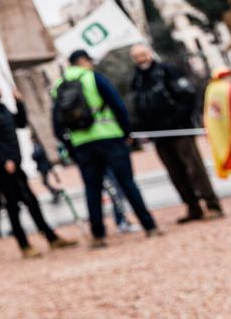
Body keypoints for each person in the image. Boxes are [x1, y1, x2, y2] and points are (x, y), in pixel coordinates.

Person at [52, 50, 160, 248]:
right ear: (83, 61)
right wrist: (127, 132)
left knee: (92, 190)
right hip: (109, 137)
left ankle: (99, 235)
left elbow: (57, 125)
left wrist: (72, 147)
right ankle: (149, 225)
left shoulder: (58, 86)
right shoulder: (92, 78)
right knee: (127, 183)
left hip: (82, 145)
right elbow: (118, 105)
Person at [0, 80, 76, 258]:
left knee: (32, 202)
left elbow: (20, 123)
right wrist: (4, 160)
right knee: (13, 206)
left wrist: (19, 103)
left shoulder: (3, 108)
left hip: (15, 164)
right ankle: (24, 245)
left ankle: (51, 238)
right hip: (2, 168)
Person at [130, 43, 223, 222]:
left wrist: (178, 119)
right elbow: (138, 106)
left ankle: (212, 203)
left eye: (142, 54)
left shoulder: (167, 71)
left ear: (149, 53)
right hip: (158, 135)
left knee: (194, 168)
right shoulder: (137, 80)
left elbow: (187, 95)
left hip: (179, 129)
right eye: (136, 56)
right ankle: (192, 206)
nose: (140, 59)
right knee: (175, 173)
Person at [29, 138, 65, 204]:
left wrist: (32, 155)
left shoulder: (36, 146)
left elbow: (36, 155)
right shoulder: (38, 146)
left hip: (43, 167)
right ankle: (55, 191)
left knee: (44, 182)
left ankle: (56, 191)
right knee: (44, 182)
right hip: (44, 167)